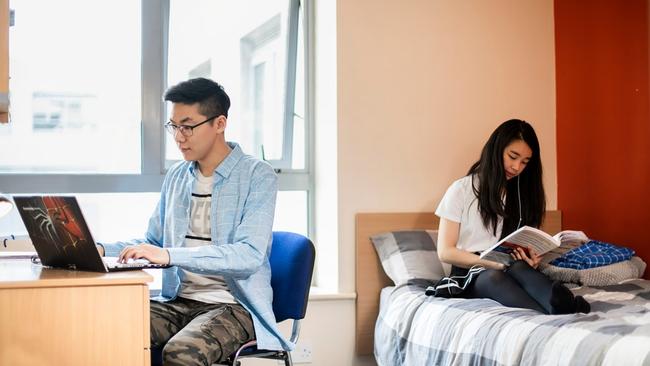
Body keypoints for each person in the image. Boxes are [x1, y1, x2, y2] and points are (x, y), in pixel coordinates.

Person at [97, 78, 291, 365]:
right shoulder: (177, 176)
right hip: (179, 301)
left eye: (187, 126)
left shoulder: (257, 175)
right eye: (174, 126)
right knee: (104, 328)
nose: (179, 136)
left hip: (233, 307)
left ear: (219, 123)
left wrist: (169, 255)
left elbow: (248, 255)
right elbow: (152, 243)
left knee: (181, 354)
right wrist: (99, 249)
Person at [436, 119, 590, 314]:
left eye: (525, 162)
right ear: (496, 149)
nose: (517, 167)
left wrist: (530, 260)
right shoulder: (461, 190)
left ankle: (559, 304)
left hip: (509, 265)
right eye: (513, 156)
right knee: (493, 277)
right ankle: (549, 314)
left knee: (518, 268)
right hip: (472, 271)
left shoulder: (520, 194)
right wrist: (491, 264)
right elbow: (445, 252)